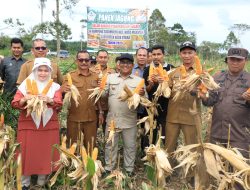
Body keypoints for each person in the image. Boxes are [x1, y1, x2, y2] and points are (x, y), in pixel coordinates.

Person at [11, 58, 62, 189]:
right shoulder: (25, 85)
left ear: (50, 72)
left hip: (48, 125)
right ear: (34, 70)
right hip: (29, 125)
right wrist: (24, 99)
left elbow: (59, 103)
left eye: (46, 70)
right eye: (40, 70)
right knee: (26, 153)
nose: (43, 73)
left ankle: (41, 181)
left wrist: (50, 100)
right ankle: (25, 182)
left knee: (45, 153)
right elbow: (15, 103)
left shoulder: (55, 87)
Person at [201, 48, 250, 158]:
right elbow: (210, 101)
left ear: (245, 61)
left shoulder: (249, 79)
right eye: (232, 59)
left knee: (237, 170)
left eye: (239, 60)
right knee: (216, 167)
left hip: (239, 136)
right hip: (217, 133)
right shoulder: (218, 77)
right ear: (227, 60)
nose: (235, 63)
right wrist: (204, 97)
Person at [104, 53, 146, 175]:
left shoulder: (139, 81)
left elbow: (144, 102)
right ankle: (109, 168)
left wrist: (142, 95)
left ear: (133, 65)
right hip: (112, 119)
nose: (125, 65)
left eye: (128, 63)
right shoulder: (110, 78)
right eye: (122, 62)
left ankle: (129, 169)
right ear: (118, 65)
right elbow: (103, 95)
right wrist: (100, 88)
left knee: (130, 146)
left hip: (130, 120)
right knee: (110, 146)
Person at [61, 50, 103, 151]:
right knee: (72, 147)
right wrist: (62, 90)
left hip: (91, 118)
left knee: (90, 147)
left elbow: (98, 97)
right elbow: (63, 95)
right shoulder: (69, 76)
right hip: (74, 118)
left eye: (86, 60)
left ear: (90, 61)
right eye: (81, 60)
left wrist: (101, 112)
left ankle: (89, 166)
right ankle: (72, 166)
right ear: (76, 61)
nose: (84, 62)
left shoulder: (96, 76)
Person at [165, 41, 200, 155]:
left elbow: (206, 93)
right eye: (184, 53)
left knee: (192, 149)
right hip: (173, 116)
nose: (187, 56)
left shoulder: (200, 73)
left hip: (191, 117)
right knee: (168, 147)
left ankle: (190, 173)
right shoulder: (173, 72)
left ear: (195, 54)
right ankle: (166, 171)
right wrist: (163, 85)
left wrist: (195, 91)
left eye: (190, 52)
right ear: (180, 55)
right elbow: (167, 93)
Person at [143, 44, 174, 145]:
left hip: (166, 108)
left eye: (159, 54)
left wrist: (165, 82)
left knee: (166, 134)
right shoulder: (147, 70)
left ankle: (166, 153)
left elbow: (174, 90)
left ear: (163, 55)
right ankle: (148, 154)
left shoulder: (171, 68)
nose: (156, 57)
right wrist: (151, 84)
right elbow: (145, 90)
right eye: (154, 54)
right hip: (151, 108)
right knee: (150, 133)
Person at [90, 50, 115, 133]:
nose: (103, 59)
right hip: (94, 106)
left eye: (105, 57)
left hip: (108, 106)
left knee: (108, 130)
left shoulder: (113, 72)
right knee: (92, 129)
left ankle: (107, 145)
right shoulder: (91, 71)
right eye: (100, 57)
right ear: (97, 58)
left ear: (108, 58)